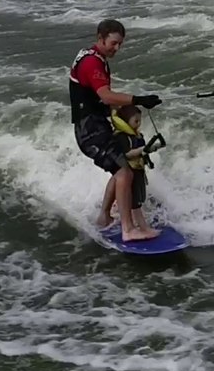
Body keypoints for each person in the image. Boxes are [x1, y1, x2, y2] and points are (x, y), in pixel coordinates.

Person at [68, 18, 162, 241]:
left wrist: (136, 105)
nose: (117, 48)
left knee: (119, 168)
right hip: (89, 130)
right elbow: (106, 96)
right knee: (124, 172)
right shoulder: (92, 63)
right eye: (113, 43)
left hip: (96, 125)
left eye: (120, 43)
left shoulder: (96, 57)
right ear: (100, 38)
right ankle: (128, 229)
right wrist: (138, 99)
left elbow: (101, 99)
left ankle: (104, 217)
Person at [102, 104, 160, 240]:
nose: (138, 124)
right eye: (136, 121)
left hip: (139, 171)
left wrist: (151, 148)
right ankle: (143, 227)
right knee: (135, 203)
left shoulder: (138, 136)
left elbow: (142, 150)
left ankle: (119, 209)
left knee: (138, 198)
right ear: (126, 121)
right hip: (129, 172)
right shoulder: (122, 137)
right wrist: (142, 150)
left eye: (140, 120)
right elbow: (126, 154)